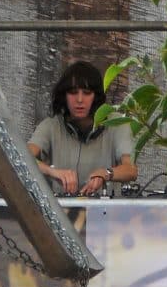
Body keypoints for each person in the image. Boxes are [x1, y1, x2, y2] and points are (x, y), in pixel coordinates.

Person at [28, 61, 138, 196]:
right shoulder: (51, 125)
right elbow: (22, 157)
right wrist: (53, 172)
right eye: (73, 93)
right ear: (64, 96)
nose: (80, 99)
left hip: (107, 214)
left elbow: (131, 170)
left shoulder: (117, 123)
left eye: (86, 93)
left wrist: (106, 173)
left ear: (96, 96)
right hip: (60, 213)